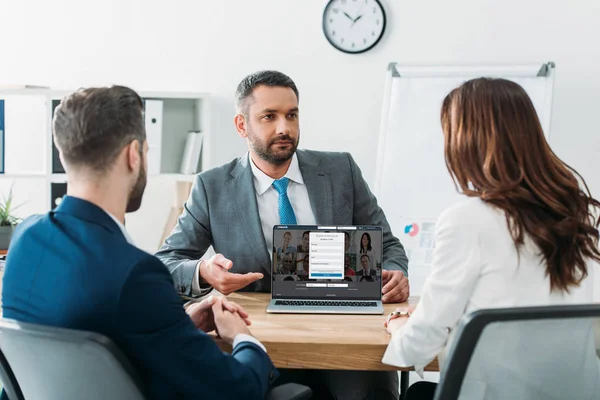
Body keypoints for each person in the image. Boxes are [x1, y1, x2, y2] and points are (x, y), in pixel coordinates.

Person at [1, 86, 278, 400]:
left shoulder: (25, 238)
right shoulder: (135, 273)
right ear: (133, 154)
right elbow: (235, 390)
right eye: (147, 151)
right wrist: (243, 337)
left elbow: (90, 336)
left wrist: (176, 323)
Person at [156, 70, 409, 399]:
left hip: (346, 336)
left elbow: (388, 245)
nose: (284, 128)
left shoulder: (341, 170)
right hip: (261, 340)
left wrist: (396, 272)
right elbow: (166, 261)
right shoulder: (212, 186)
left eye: (292, 115)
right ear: (241, 125)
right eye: (269, 117)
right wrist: (203, 271)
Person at [382, 78, 600, 399]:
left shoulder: (467, 221)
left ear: (466, 141)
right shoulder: (580, 214)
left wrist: (399, 326)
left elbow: (420, 342)